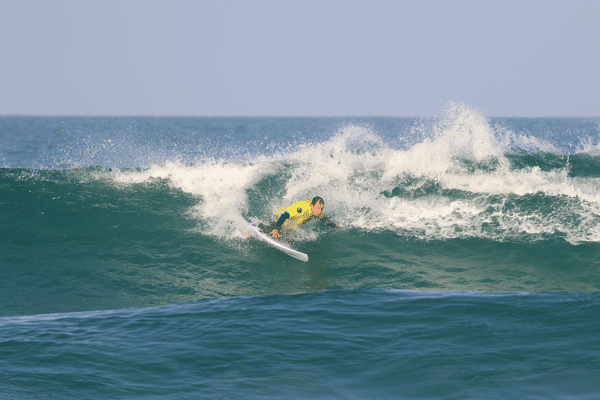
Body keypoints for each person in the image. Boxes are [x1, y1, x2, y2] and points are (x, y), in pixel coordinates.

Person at [259, 196, 338, 238]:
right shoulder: (301, 210)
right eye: (318, 208)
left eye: (321, 208)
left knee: (289, 238)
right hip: (277, 217)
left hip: (287, 223)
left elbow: (324, 220)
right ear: (311, 205)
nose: (320, 211)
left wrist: (337, 227)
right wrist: (276, 229)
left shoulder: (316, 211)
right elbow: (284, 216)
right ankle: (259, 226)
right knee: (270, 231)